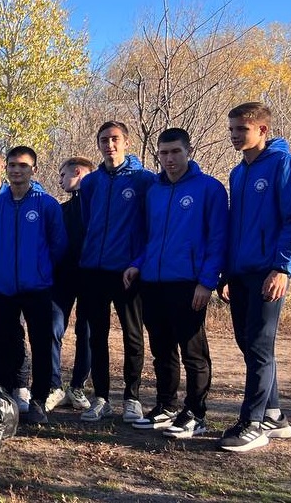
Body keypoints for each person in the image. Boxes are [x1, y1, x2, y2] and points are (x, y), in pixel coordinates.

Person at [121, 128, 226, 438]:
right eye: (164, 153)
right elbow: (149, 237)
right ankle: (166, 405)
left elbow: (218, 239)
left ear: (188, 151)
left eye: (175, 152)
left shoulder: (209, 188)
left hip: (189, 283)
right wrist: (137, 264)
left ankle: (196, 413)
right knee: (162, 348)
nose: (169, 158)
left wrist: (207, 282)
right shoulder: (154, 190)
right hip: (153, 282)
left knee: (193, 352)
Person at [217, 102, 291, 452]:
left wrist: (283, 268)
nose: (235, 135)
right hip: (240, 273)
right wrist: (226, 272)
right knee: (248, 343)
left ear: (262, 130)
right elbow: (234, 227)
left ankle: (251, 423)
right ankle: (274, 414)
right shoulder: (238, 173)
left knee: (258, 345)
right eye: (232, 129)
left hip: (269, 271)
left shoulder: (282, 164)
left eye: (242, 129)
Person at [78, 121, 157, 423]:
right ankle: (101, 397)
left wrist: (138, 261)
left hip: (127, 272)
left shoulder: (143, 180)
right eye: (103, 140)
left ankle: (131, 398)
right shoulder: (90, 183)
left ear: (126, 142)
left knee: (132, 335)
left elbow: (151, 226)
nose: (109, 145)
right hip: (93, 270)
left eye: (114, 139)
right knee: (96, 336)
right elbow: (87, 221)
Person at [0, 146, 66, 425]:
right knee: (4, 344)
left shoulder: (47, 205)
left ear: (34, 170)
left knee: (41, 344)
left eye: (23, 166)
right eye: (13, 165)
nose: (17, 170)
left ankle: (39, 400)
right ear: (6, 168)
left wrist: (41, 271)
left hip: (37, 288)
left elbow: (58, 245)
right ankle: (6, 398)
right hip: (3, 289)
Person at [54, 157, 96, 412]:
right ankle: (54, 386)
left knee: (86, 332)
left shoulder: (98, 206)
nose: (60, 180)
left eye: (63, 175)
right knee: (53, 327)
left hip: (91, 277)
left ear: (78, 172)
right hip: (62, 278)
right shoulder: (61, 210)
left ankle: (77, 386)